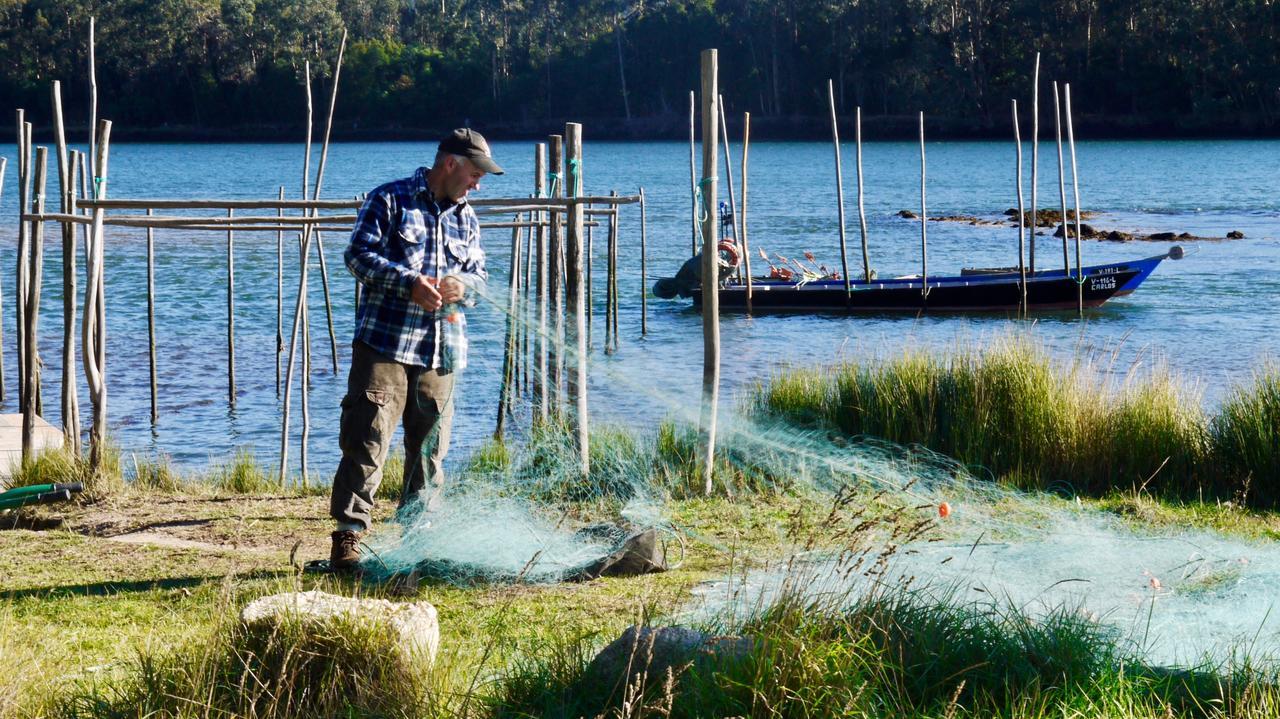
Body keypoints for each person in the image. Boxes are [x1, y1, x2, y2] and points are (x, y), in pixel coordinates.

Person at [329, 128, 503, 572]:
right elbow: (357, 256)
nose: (478, 184)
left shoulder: (467, 217)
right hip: (385, 344)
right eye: (475, 174)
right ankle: (348, 539)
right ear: (450, 164)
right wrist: (409, 285)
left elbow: (479, 277)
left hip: (442, 349)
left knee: (429, 450)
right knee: (367, 439)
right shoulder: (389, 199)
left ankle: (417, 541)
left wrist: (463, 286)